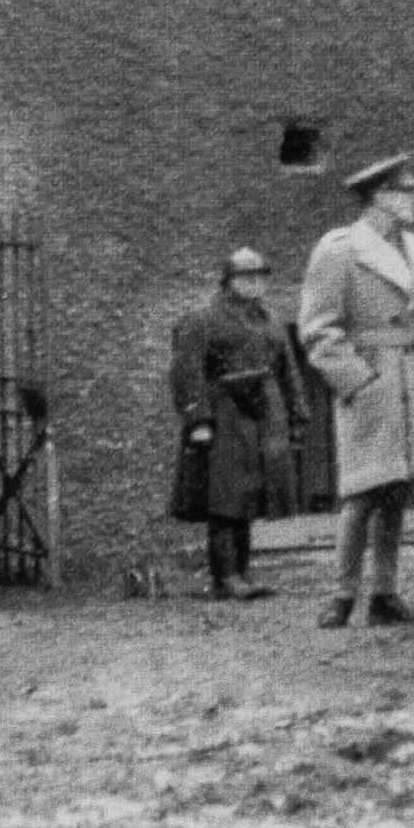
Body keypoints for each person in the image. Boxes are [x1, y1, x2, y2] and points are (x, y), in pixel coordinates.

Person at [299, 153, 414, 629]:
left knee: (397, 489)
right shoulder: (341, 251)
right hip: (375, 381)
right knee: (362, 491)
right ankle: (342, 595)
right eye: (407, 193)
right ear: (381, 198)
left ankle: (386, 594)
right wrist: (357, 381)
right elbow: (318, 330)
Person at [169, 247, 310, 600]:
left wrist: (297, 412)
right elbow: (187, 371)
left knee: (249, 493)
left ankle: (243, 574)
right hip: (226, 411)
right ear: (228, 281)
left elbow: (288, 370)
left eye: (260, 277)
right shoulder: (202, 320)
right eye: (246, 277)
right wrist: (198, 419)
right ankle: (225, 577)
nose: (254, 284)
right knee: (225, 495)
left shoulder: (270, 322)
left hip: (264, 412)